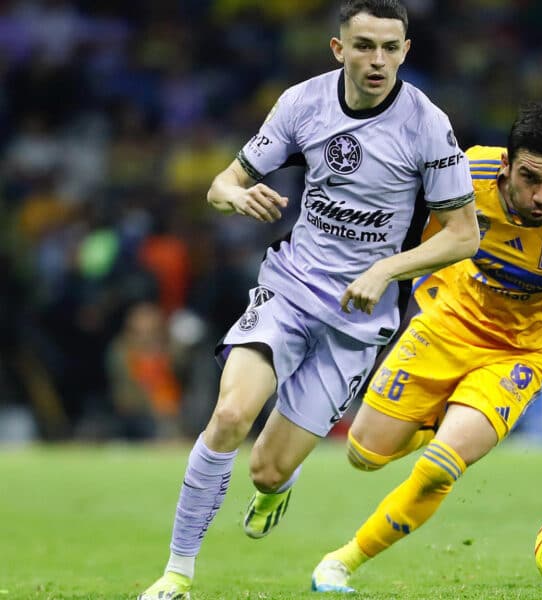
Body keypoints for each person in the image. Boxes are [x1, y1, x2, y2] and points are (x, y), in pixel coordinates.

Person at [139, 2, 480, 598]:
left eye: (391, 48)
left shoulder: (427, 125)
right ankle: (177, 572)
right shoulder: (303, 104)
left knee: (266, 469)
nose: (378, 60)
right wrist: (235, 198)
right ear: (338, 48)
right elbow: (224, 181)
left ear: (406, 50)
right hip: (291, 289)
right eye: (365, 45)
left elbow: (464, 234)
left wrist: (387, 270)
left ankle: (278, 485)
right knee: (229, 415)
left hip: (358, 320)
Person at [307, 102, 542, 593]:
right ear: (506, 164)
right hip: (448, 324)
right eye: (530, 178)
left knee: (440, 467)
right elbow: (410, 217)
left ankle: (341, 562)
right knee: (362, 454)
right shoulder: (465, 173)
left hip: (519, 352)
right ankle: (444, 425)